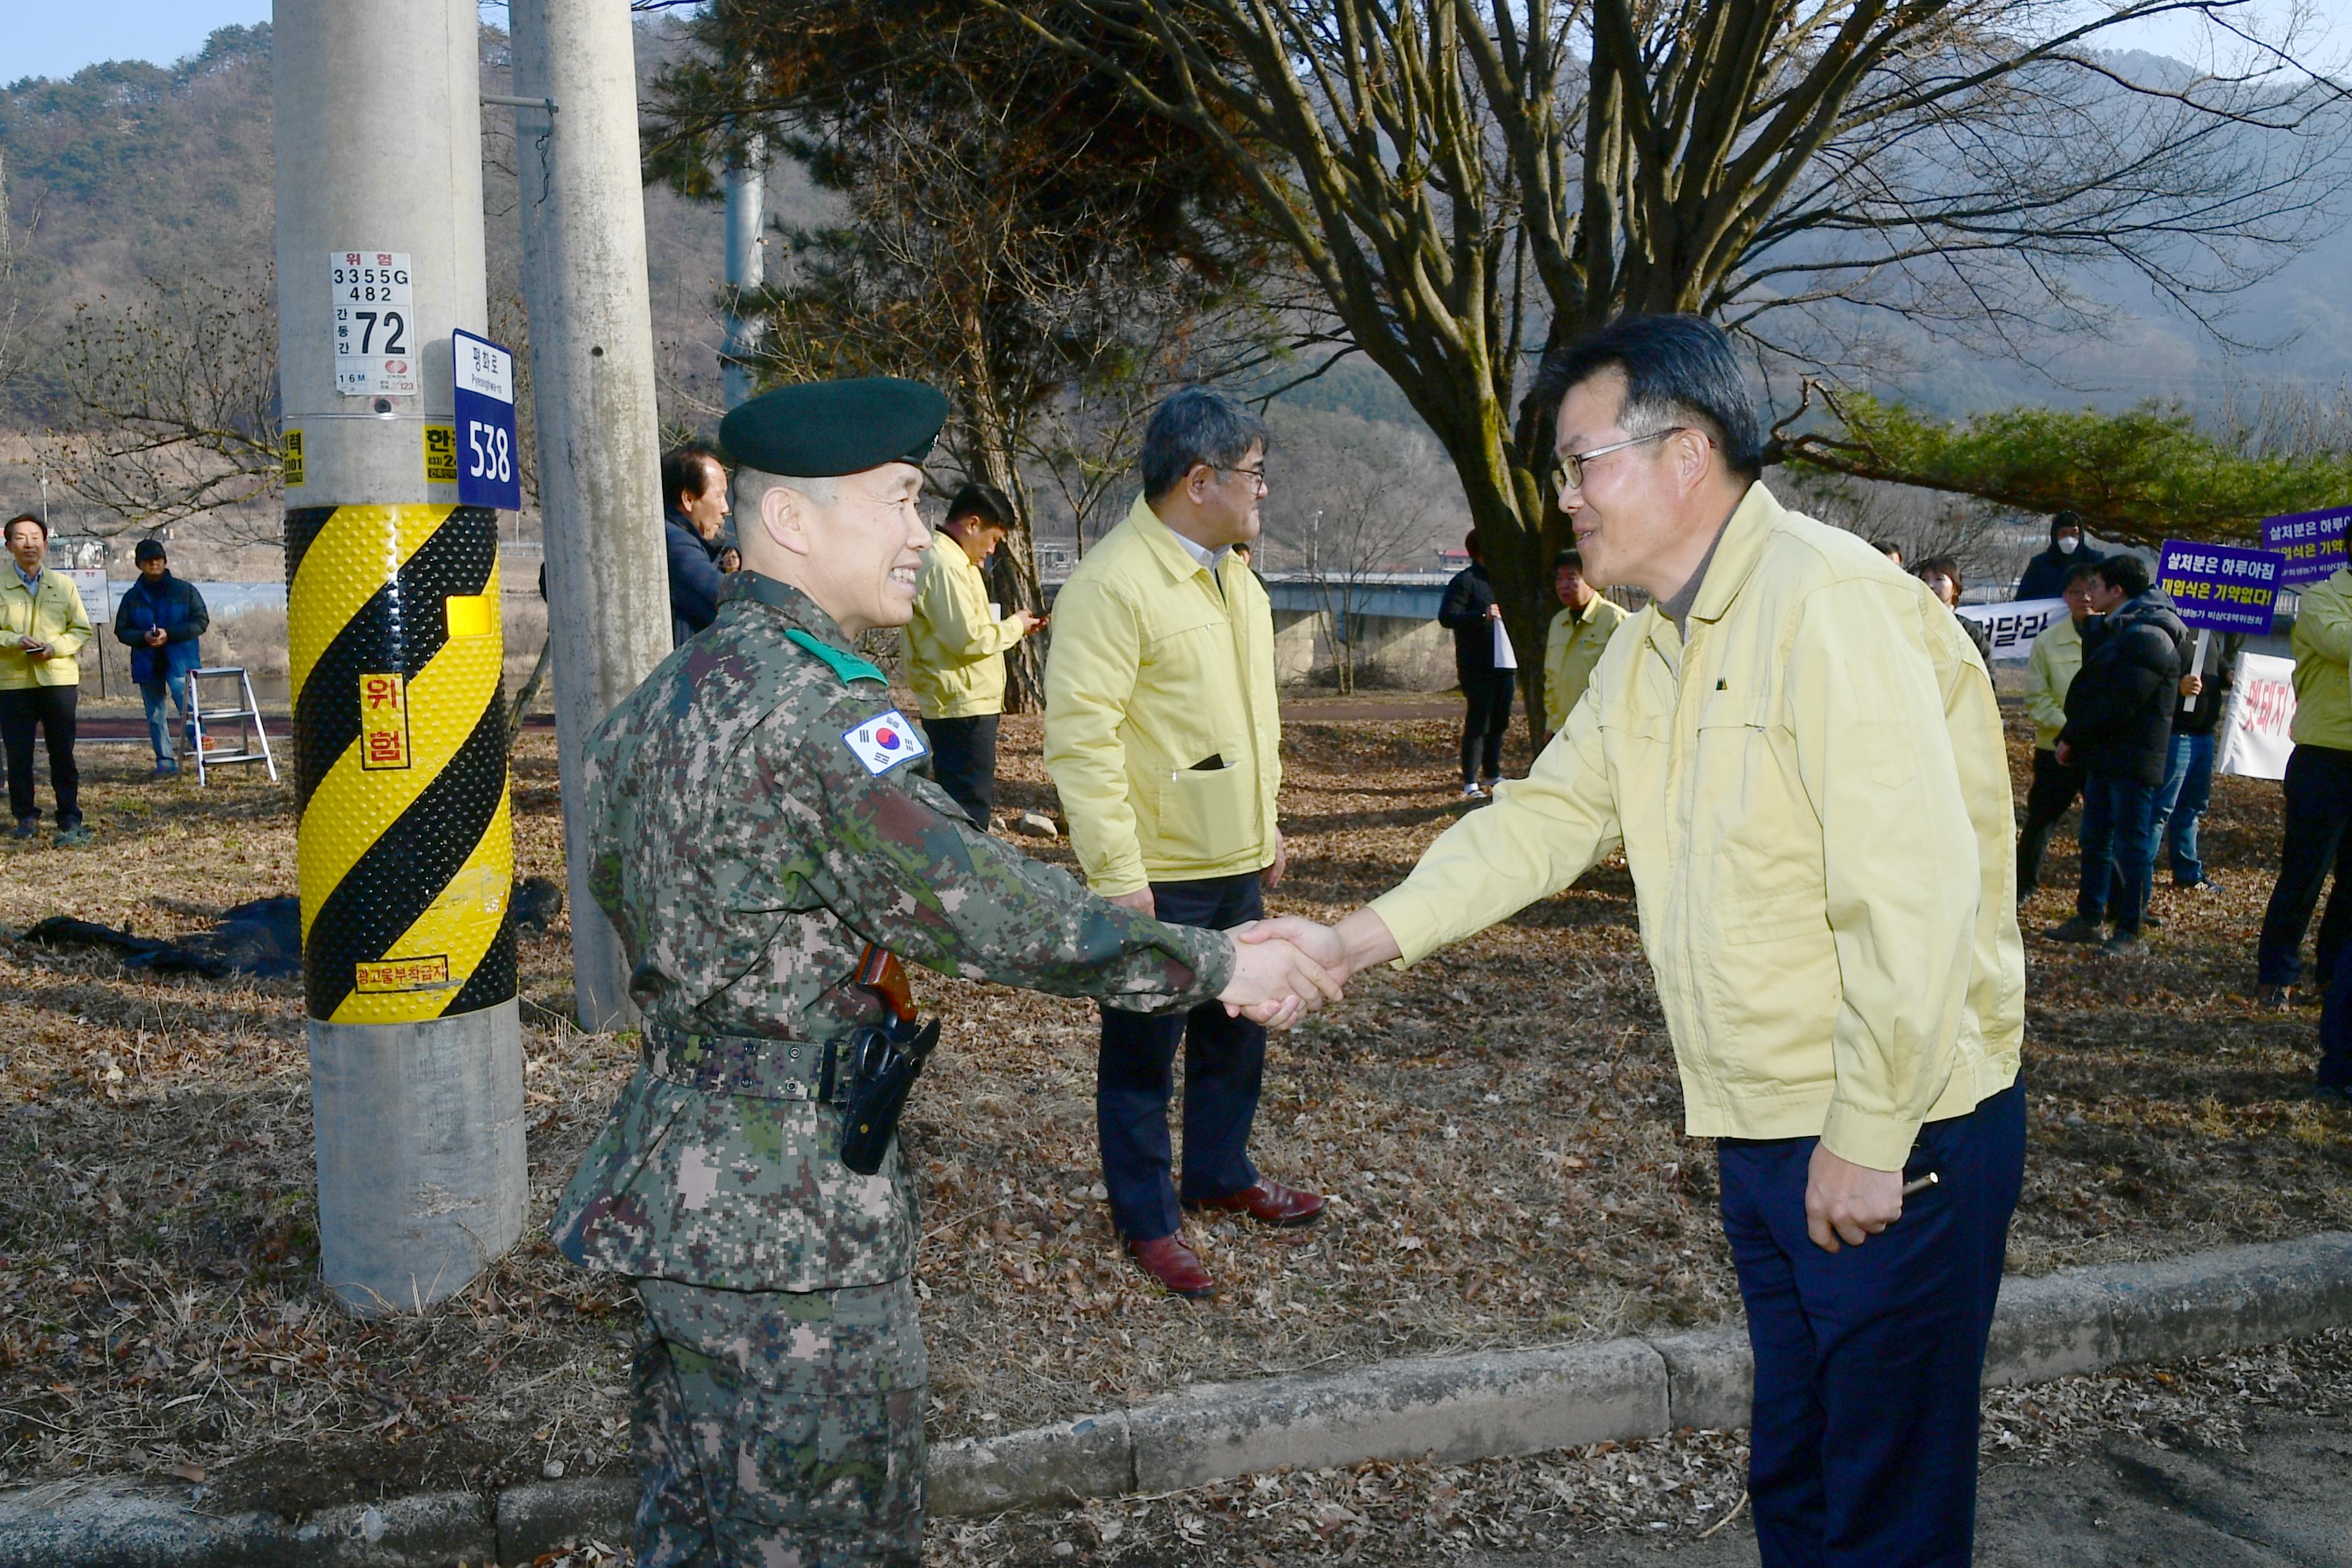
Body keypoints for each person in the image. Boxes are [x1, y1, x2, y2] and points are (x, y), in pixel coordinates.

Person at [1246, 314, 2025, 1568]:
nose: (1563, 500)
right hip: (1766, 1124)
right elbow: (1547, 817)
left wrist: (1872, 1134)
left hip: (1896, 1136)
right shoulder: (1660, 637)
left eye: (1580, 461)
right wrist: (1349, 942)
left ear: (1687, 454)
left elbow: (1915, 896)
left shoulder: (1829, 607)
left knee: (1887, 1499)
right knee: (1801, 1465)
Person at [549, 376, 1338, 1568]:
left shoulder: (663, 698)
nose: (922, 533)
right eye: (900, 500)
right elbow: (988, 908)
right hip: (789, 1218)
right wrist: (1216, 958)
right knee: (833, 1535)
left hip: (672, 1172)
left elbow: (624, 892)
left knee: (696, 1523)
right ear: (796, 524)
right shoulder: (814, 716)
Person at [1043, 386, 1322, 1302]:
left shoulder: (1233, 573)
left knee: (1235, 1032)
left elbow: (1253, 714)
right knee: (1139, 1054)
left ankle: (1217, 1168)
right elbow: (1081, 741)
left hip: (1233, 855)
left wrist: (1266, 817)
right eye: (1254, 474)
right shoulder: (1114, 584)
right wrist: (1118, 873)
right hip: (1159, 870)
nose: (1264, 491)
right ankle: (1147, 1217)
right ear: (1198, 480)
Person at [2044, 554, 2183, 957]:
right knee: (2096, 839)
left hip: (2132, 758)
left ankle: (2130, 929)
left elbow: (2118, 702)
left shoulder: (2149, 634)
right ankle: (2089, 917)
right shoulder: (2120, 628)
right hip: (2109, 755)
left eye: (2097, 586)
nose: (2089, 594)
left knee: (2131, 845)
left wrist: (2075, 737)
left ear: (2117, 591)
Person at [903, 480, 1043, 828]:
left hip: (965, 700)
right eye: (993, 539)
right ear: (972, 524)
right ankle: (966, 878)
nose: (992, 550)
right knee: (968, 810)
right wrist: (1015, 627)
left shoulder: (956, 561)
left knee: (967, 804)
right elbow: (967, 640)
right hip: (959, 704)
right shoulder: (944, 565)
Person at [2257, 560, 2352, 1007]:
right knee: (2304, 873)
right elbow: (2340, 642)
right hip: (2325, 755)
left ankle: (2333, 974)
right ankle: (2278, 972)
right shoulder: (2322, 597)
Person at [2, 513, 95, 847]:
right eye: (21, 537)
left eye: (36, 537)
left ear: (45, 542)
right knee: (19, 754)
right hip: (13, 682)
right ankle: (25, 816)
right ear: (9, 544)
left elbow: (80, 629)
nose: (30, 544)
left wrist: (56, 648)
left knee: (62, 752)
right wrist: (14, 640)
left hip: (57, 679)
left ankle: (69, 814)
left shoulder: (63, 585)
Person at [2016, 563, 2101, 901]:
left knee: (2104, 829)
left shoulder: (2118, 637)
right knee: (2040, 822)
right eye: (2076, 591)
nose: (2085, 597)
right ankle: (2023, 887)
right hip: (2056, 748)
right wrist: (2072, 730)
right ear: (2065, 597)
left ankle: (2110, 901)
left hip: (2101, 750)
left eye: (2091, 588)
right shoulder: (2048, 642)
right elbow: (2037, 700)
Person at [2151, 630, 2240, 896]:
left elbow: (2216, 662)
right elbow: (2149, 677)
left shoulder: (2208, 632)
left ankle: (2188, 873)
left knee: (2191, 808)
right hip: (2175, 735)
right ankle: (2137, 874)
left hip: (2204, 735)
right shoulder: (2168, 632)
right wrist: (2177, 686)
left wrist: (2229, 674)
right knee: (2160, 809)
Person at [112, 538, 210, 779]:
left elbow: (201, 622)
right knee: (155, 714)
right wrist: (144, 637)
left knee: (188, 707)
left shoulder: (185, 590)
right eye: (148, 560)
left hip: (180, 660)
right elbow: (121, 631)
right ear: (139, 565)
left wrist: (171, 634)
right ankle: (165, 761)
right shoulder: (131, 597)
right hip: (147, 661)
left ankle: (201, 748)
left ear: (165, 561)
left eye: (158, 559)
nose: (154, 563)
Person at [1439, 530, 1514, 798]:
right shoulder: (1465, 582)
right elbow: (1448, 617)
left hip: (1506, 661)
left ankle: (1492, 773)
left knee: (1500, 720)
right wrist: (1482, 615)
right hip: (1477, 663)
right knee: (1479, 722)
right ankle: (1470, 780)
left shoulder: (1504, 580)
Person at [1539, 545, 1625, 744]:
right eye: (1559, 579)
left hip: (1600, 731)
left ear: (1592, 580)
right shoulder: (1558, 623)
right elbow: (1551, 679)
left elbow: (1625, 683)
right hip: (1563, 731)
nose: (1563, 585)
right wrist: (1552, 724)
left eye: (1571, 578)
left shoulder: (1615, 620)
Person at [662, 442, 730, 645]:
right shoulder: (676, 545)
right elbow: (722, 596)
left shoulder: (672, 535)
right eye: (719, 496)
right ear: (689, 499)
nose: (725, 507)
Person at [1915, 555, 1994, 665]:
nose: (1930, 585)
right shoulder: (1913, 625)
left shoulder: (1969, 631)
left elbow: (1986, 672)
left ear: (1955, 588)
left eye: (1939, 579)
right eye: (1924, 580)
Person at [2015, 511, 2106, 601]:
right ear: (2055, 536)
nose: (2069, 538)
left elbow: (2106, 593)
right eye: (2063, 533)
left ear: (2080, 534)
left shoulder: (2095, 560)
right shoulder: (2039, 565)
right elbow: (2023, 600)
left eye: (2074, 533)